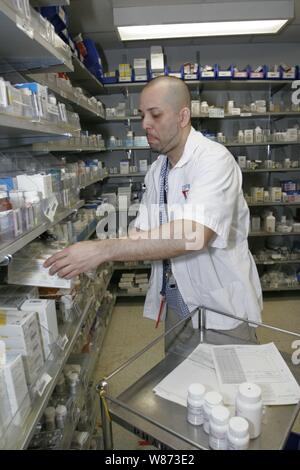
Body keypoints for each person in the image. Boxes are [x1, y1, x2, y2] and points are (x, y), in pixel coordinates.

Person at [44, 76, 262, 346]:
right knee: (178, 378)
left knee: (229, 386)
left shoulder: (213, 160)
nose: (145, 124)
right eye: (142, 115)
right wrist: (87, 253)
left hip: (220, 306)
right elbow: (141, 232)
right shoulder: (159, 169)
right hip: (176, 302)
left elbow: (194, 235)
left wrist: (102, 250)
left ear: (183, 116)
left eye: (155, 115)